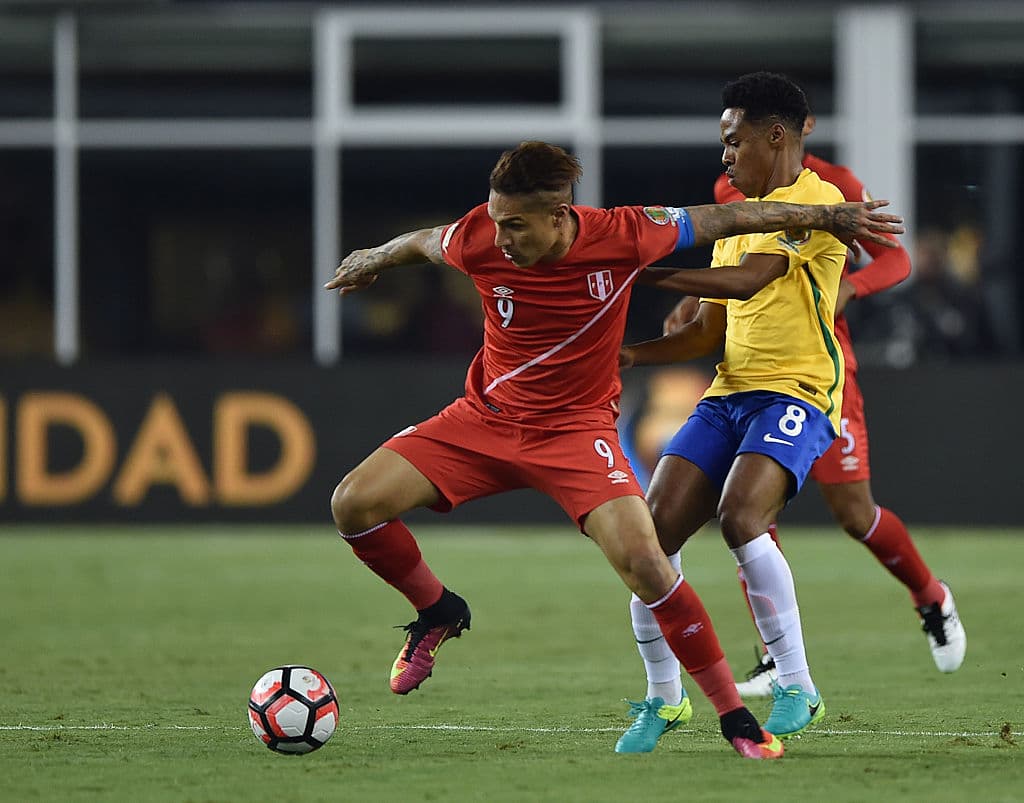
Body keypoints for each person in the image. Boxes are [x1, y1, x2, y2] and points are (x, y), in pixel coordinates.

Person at [325, 140, 903, 759]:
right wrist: (373, 257)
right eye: (496, 219)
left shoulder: (626, 234)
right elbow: (424, 240)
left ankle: (734, 719)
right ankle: (437, 611)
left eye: (515, 225)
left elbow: (729, 218)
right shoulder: (480, 237)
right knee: (353, 505)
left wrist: (827, 216)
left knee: (650, 564)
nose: (502, 237)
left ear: (558, 214)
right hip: (484, 419)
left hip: (577, 433)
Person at [652, 115, 969, 701]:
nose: (732, 149)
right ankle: (779, 660)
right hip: (750, 367)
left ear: (794, 130)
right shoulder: (731, 190)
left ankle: (931, 596)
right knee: (748, 515)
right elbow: (733, 258)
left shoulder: (835, 185)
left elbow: (892, 259)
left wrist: (851, 287)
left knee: (855, 515)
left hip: (820, 369)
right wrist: (696, 302)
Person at [615, 72, 857, 753]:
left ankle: (797, 684)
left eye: (734, 141)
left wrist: (643, 271)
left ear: (774, 136)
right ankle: (665, 701)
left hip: (797, 391)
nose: (725, 156)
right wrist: (630, 356)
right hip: (727, 392)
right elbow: (704, 335)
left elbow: (751, 280)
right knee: (648, 542)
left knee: (742, 515)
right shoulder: (736, 223)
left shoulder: (816, 203)